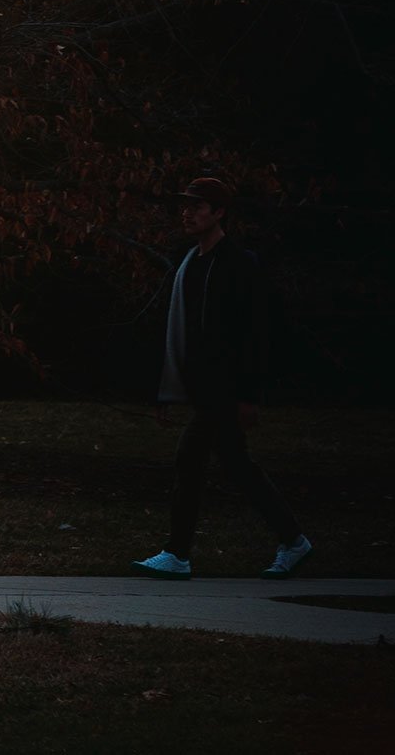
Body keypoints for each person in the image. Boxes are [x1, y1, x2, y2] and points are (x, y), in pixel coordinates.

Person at [131, 177, 309, 581]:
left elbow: (256, 334)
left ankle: (178, 553)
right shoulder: (190, 265)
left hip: (226, 390)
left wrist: (249, 395)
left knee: (191, 457)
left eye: (198, 206)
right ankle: (293, 540)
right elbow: (182, 333)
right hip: (204, 389)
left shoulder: (239, 264)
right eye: (185, 205)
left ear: (220, 212)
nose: (188, 213)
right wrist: (168, 391)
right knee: (235, 465)